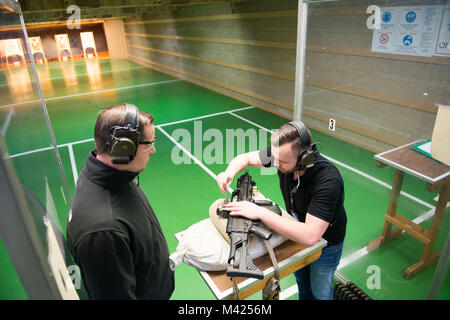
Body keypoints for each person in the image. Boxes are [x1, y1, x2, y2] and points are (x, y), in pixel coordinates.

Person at [216, 120, 347, 300]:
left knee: (321, 291)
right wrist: (228, 173)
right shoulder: (281, 156)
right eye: (275, 158)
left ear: (304, 159)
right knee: (302, 282)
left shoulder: (328, 181)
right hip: (296, 230)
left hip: (327, 243)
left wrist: (259, 212)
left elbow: (310, 235)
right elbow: (244, 158)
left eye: (282, 161)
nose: (275, 163)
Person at [67, 103, 174, 299]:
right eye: (149, 143)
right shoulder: (103, 232)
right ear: (124, 148)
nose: (153, 150)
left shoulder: (115, 176)